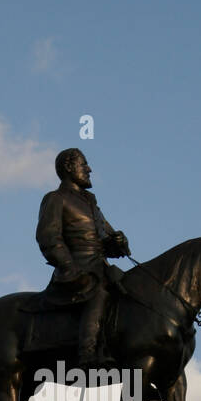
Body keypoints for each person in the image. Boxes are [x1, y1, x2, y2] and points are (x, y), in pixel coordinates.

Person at [36, 148, 130, 366]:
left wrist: (118, 243)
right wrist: (69, 267)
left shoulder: (91, 204)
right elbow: (48, 236)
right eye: (84, 164)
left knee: (132, 291)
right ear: (69, 167)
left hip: (101, 267)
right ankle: (87, 355)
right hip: (77, 269)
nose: (89, 169)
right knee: (99, 292)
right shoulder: (56, 198)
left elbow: (107, 241)